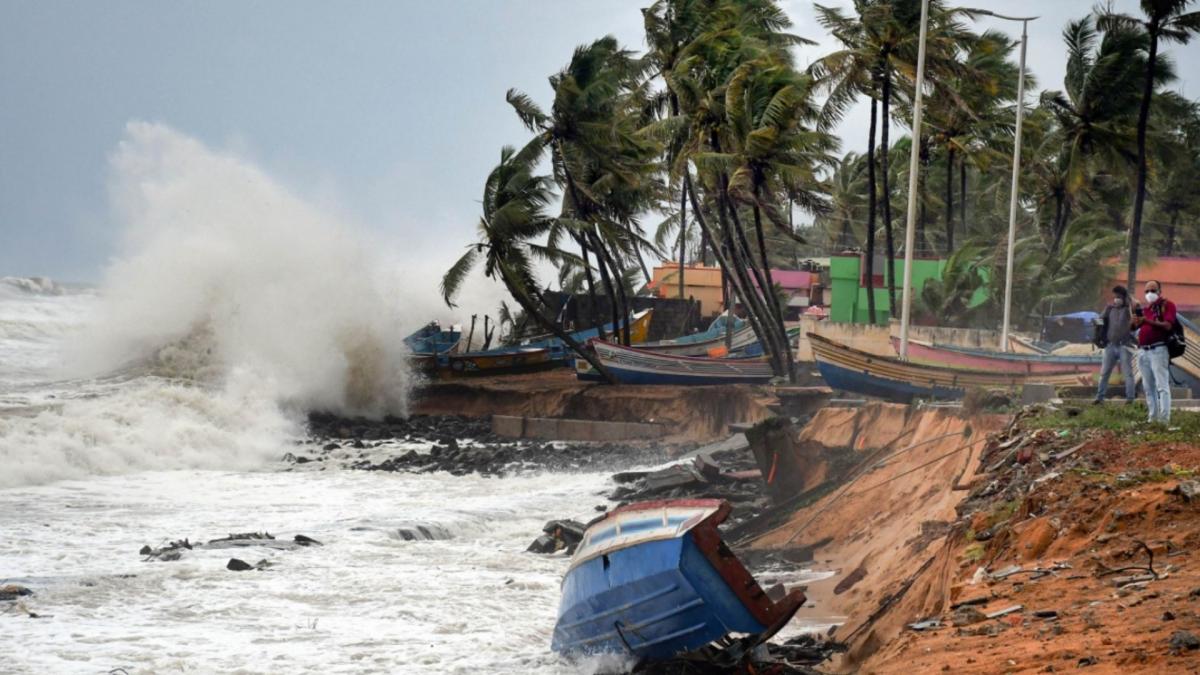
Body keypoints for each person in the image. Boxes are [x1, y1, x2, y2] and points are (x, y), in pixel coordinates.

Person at [1133, 280, 1177, 424]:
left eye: (1152, 290)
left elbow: (1168, 326)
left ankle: (1164, 421)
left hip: (1158, 350)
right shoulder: (1146, 309)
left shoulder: (1168, 305)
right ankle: (1152, 418)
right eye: (1146, 291)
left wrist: (1146, 321)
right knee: (1148, 387)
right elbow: (1134, 327)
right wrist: (1134, 321)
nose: (1149, 293)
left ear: (1159, 291)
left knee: (1162, 387)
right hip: (1143, 351)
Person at [1094, 285, 1135, 403]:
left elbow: (1135, 308)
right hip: (1110, 345)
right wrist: (1098, 332)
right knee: (1104, 373)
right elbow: (1098, 321)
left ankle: (1130, 399)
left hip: (1125, 345)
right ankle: (1099, 398)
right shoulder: (1109, 309)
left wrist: (1129, 299)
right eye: (1115, 297)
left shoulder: (1128, 310)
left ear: (1124, 298)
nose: (1116, 299)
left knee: (1128, 374)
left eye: (1119, 297)